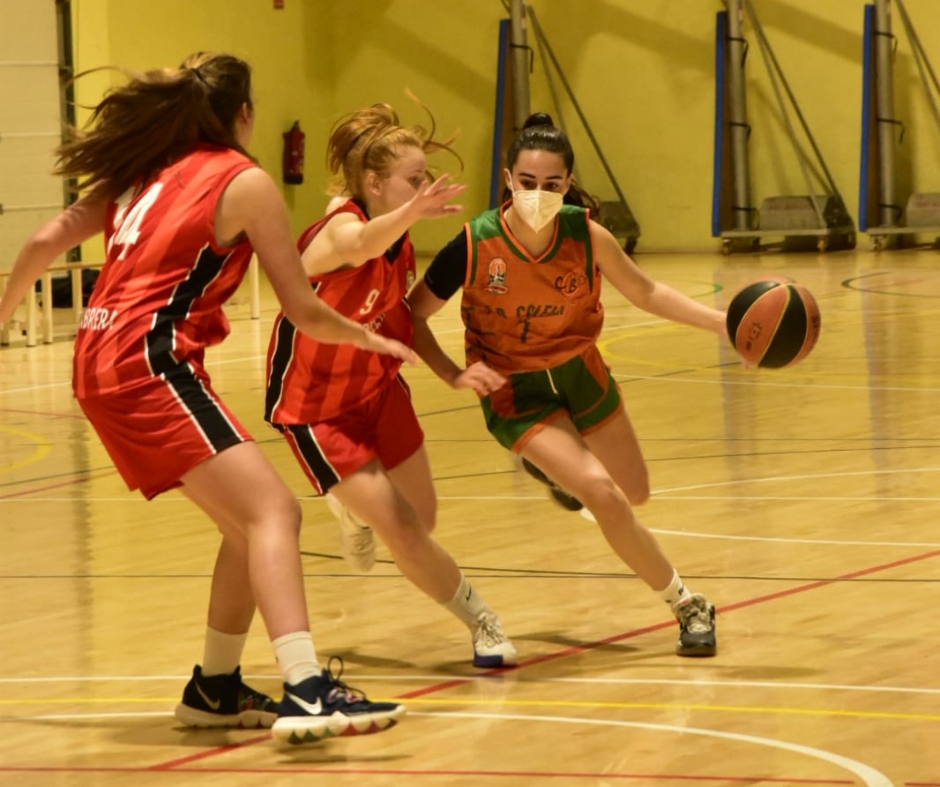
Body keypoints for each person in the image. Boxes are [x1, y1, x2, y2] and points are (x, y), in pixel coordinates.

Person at [0, 52, 410, 745]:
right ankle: (307, 688)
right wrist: (371, 340)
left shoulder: (142, 171)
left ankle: (215, 687)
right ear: (243, 114)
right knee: (276, 509)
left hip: (95, 359)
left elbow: (43, 240)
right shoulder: (244, 182)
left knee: (245, 525)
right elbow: (304, 309)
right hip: (146, 359)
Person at [406, 113, 725, 657]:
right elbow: (410, 316)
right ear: (508, 180)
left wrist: (724, 324)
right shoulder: (474, 244)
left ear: (568, 185)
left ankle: (555, 471)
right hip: (516, 391)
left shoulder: (585, 234)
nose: (538, 194)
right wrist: (453, 374)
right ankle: (687, 603)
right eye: (526, 183)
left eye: (551, 185)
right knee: (601, 493)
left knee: (636, 492)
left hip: (581, 372)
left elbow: (646, 292)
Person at [264, 102, 517, 668]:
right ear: (373, 183)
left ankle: (352, 511)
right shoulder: (341, 231)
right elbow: (358, 246)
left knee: (421, 518)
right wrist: (413, 213)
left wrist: (454, 373)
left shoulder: (396, 240)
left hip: (378, 389)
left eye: (426, 178)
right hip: (317, 408)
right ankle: (483, 621)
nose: (425, 189)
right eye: (415, 180)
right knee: (403, 530)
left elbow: (403, 316)